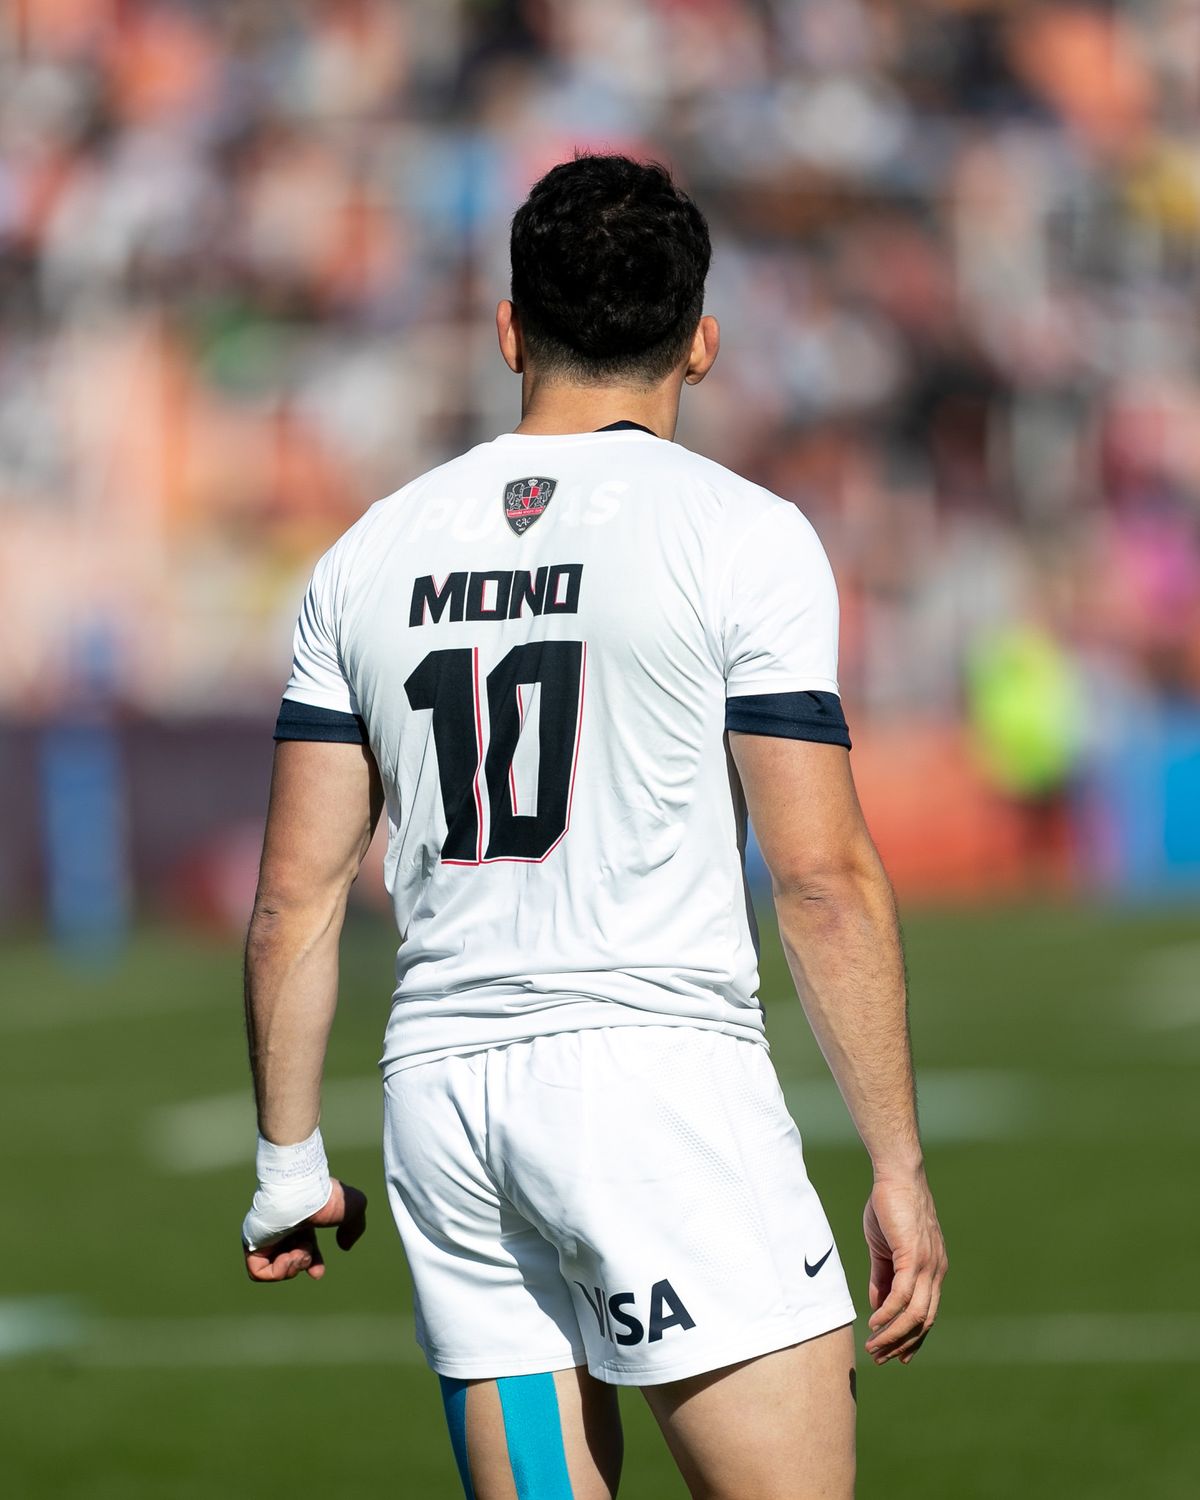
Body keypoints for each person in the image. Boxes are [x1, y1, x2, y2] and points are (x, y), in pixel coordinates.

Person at [240, 153, 946, 1500]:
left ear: (511, 331)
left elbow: (295, 898)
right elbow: (821, 878)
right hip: (652, 1082)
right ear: (704, 343)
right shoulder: (740, 532)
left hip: (443, 1103)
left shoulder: (369, 552)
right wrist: (899, 1164)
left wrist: (286, 1165)